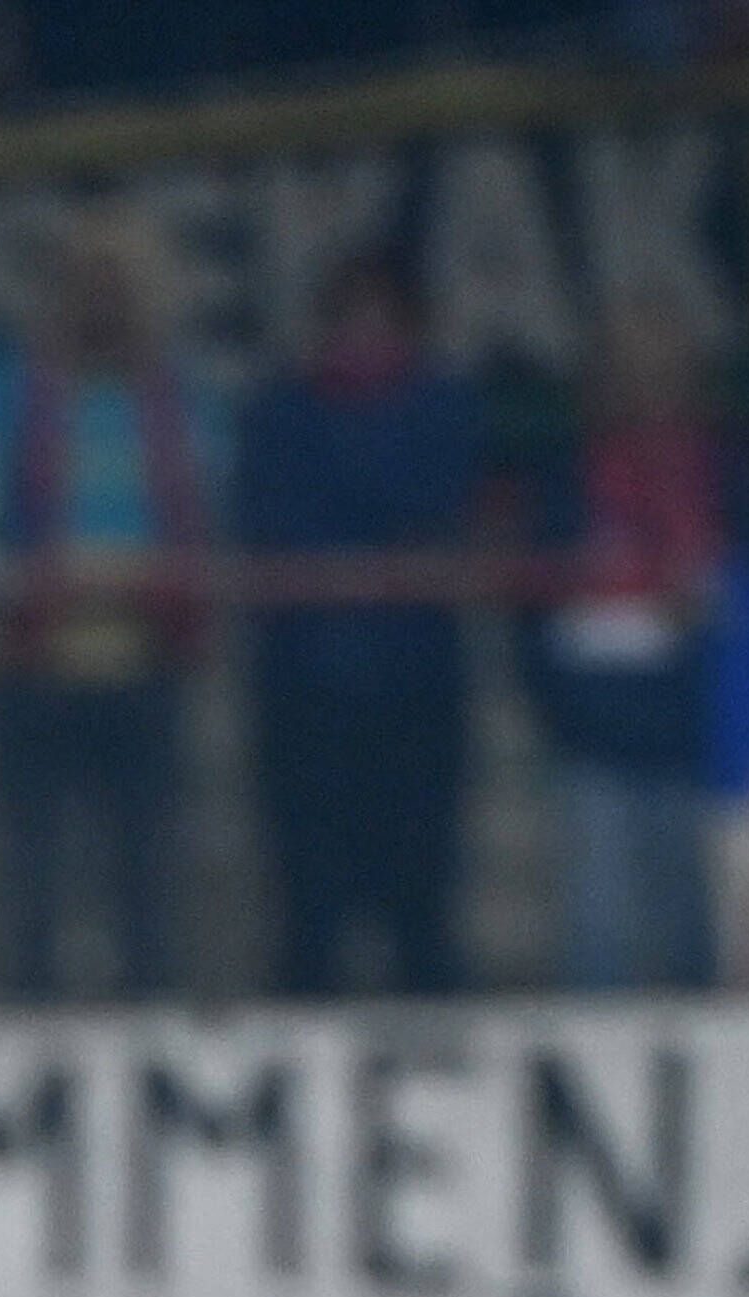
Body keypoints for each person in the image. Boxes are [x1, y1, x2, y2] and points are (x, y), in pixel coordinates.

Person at [0, 215, 227, 997]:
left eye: (118, 287)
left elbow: (218, 512)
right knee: (31, 885)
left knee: (150, 885)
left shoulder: (181, 397)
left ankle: (150, 1042)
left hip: (145, 665)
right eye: (86, 286)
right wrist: (4, 593)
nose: (102, 304)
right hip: (31, 668)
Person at [233, 252, 482, 997]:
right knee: (311, 887)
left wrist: (362, 544)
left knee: (420, 883)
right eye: (349, 318)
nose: (364, 334)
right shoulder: (279, 411)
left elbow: (430, 506)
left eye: (381, 318)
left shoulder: (444, 406)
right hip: (307, 690)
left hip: (416, 688)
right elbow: (273, 518)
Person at [535, 300, 727, 993]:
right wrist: (562, 708)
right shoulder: (565, 482)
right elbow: (537, 612)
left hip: (703, 739)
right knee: (600, 932)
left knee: (699, 931)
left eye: (660, 368)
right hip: (596, 736)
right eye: (627, 370)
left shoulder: (732, 477)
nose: (644, 386)